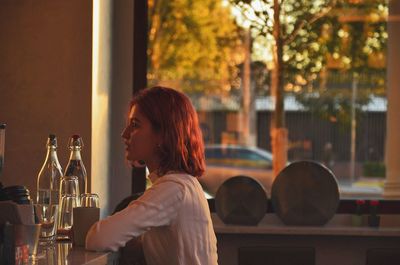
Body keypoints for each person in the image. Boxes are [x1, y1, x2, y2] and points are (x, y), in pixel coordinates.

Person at [85, 86, 218, 265]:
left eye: (135, 125)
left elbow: (99, 238)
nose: (124, 134)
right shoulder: (182, 185)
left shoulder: (174, 188)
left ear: (162, 135)